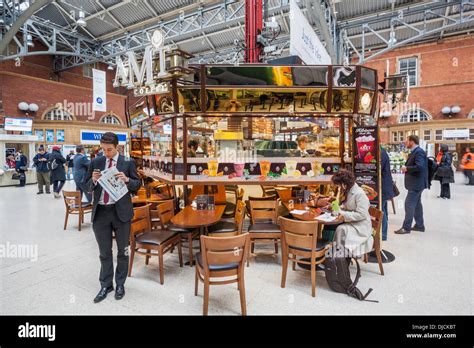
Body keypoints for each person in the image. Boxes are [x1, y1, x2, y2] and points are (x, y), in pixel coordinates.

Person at [85, 132, 140, 303]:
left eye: (109, 149)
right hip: (101, 212)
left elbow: (138, 184)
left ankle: (120, 284)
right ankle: (106, 285)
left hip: (121, 212)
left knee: (123, 251)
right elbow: (86, 185)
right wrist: (93, 181)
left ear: (117, 147)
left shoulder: (127, 162)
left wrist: (128, 180)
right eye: (103, 150)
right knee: (104, 252)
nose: (106, 153)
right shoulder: (96, 162)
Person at [323, 169, 373, 257]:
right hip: (353, 221)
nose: (339, 187)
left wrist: (341, 212)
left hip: (360, 226)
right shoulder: (350, 190)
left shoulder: (360, 194)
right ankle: (327, 252)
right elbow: (348, 205)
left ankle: (338, 255)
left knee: (340, 228)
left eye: (339, 185)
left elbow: (361, 214)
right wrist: (335, 207)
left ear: (344, 183)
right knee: (328, 226)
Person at [395, 135, 428, 235]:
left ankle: (406, 228)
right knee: (417, 205)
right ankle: (419, 225)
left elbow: (420, 166)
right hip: (417, 183)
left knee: (409, 204)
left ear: (412, 142)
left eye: (407, 140)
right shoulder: (416, 151)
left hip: (416, 184)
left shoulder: (419, 152)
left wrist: (407, 168)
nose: (405, 142)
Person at [380, 147, 395, 241]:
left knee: (382, 211)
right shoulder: (382, 151)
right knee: (384, 209)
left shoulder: (380, 152)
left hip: (383, 186)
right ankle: (383, 233)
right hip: (385, 186)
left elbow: (378, 168)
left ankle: (383, 234)